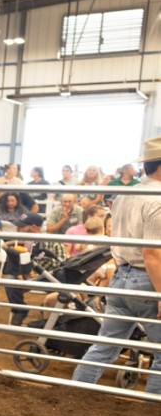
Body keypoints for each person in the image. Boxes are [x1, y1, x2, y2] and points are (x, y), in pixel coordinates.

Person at [72, 136, 161, 393]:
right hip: (147, 281)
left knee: (105, 345)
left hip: (121, 276)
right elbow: (152, 254)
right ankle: (151, 414)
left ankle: (73, 395)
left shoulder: (125, 194)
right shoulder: (157, 200)